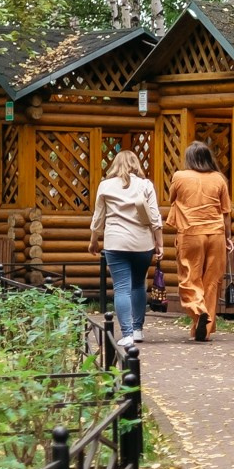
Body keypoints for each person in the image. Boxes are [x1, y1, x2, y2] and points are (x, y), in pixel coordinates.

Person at [88, 149, 163, 353]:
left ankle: (127, 334)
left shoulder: (105, 186)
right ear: (135, 164)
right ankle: (138, 330)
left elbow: (98, 217)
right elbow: (155, 217)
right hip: (142, 243)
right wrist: (159, 243)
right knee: (138, 284)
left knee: (121, 288)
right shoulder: (145, 185)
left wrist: (93, 241)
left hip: (116, 243)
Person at [165, 140, 231, 342]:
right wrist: (228, 237)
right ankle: (204, 330)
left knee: (189, 278)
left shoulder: (180, 176)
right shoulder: (219, 179)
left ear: (189, 159)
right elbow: (226, 212)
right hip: (216, 234)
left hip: (191, 233)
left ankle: (198, 310)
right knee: (211, 282)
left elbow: (172, 198)